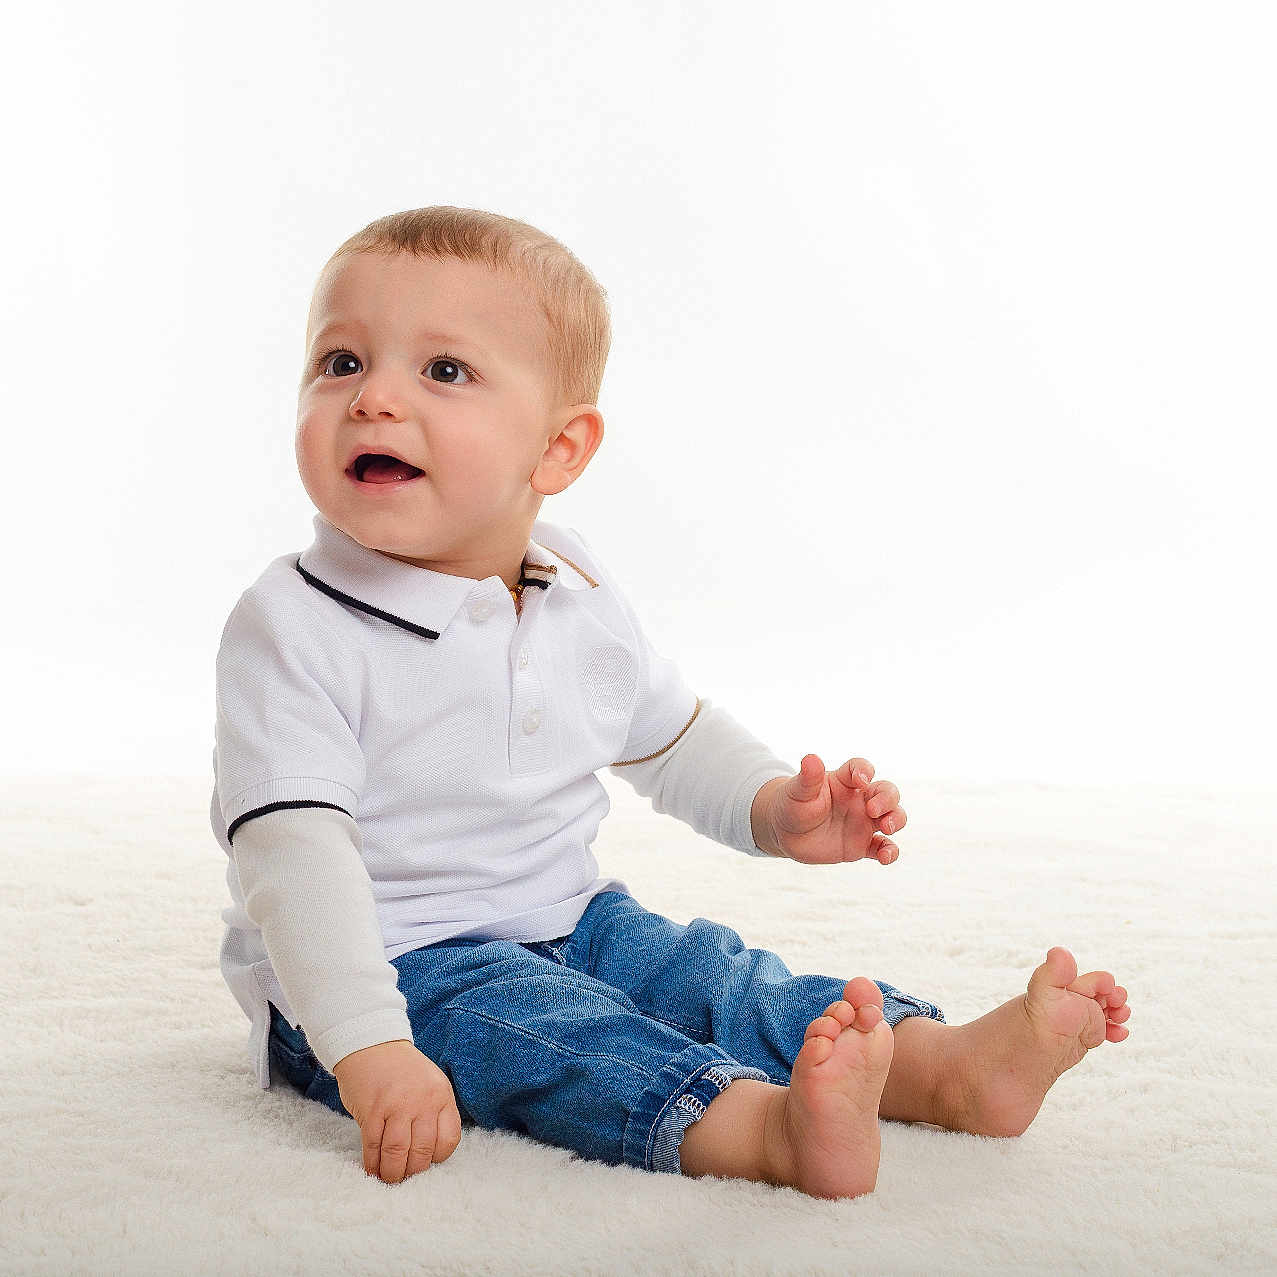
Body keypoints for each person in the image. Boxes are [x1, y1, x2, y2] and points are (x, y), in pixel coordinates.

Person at [211, 205, 1132, 1200]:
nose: (372, 398)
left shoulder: (573, 581)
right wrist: (365, 1045)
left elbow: (665, 731)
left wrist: (775, 807)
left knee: (706, 974)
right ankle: (762, 1131)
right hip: (385, 972)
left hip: (570, 912)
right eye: (340, 362)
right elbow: (292, 860)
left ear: (559, 450)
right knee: (564, 1039)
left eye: (442, 370)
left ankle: (943, 1067)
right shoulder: (294, 624)